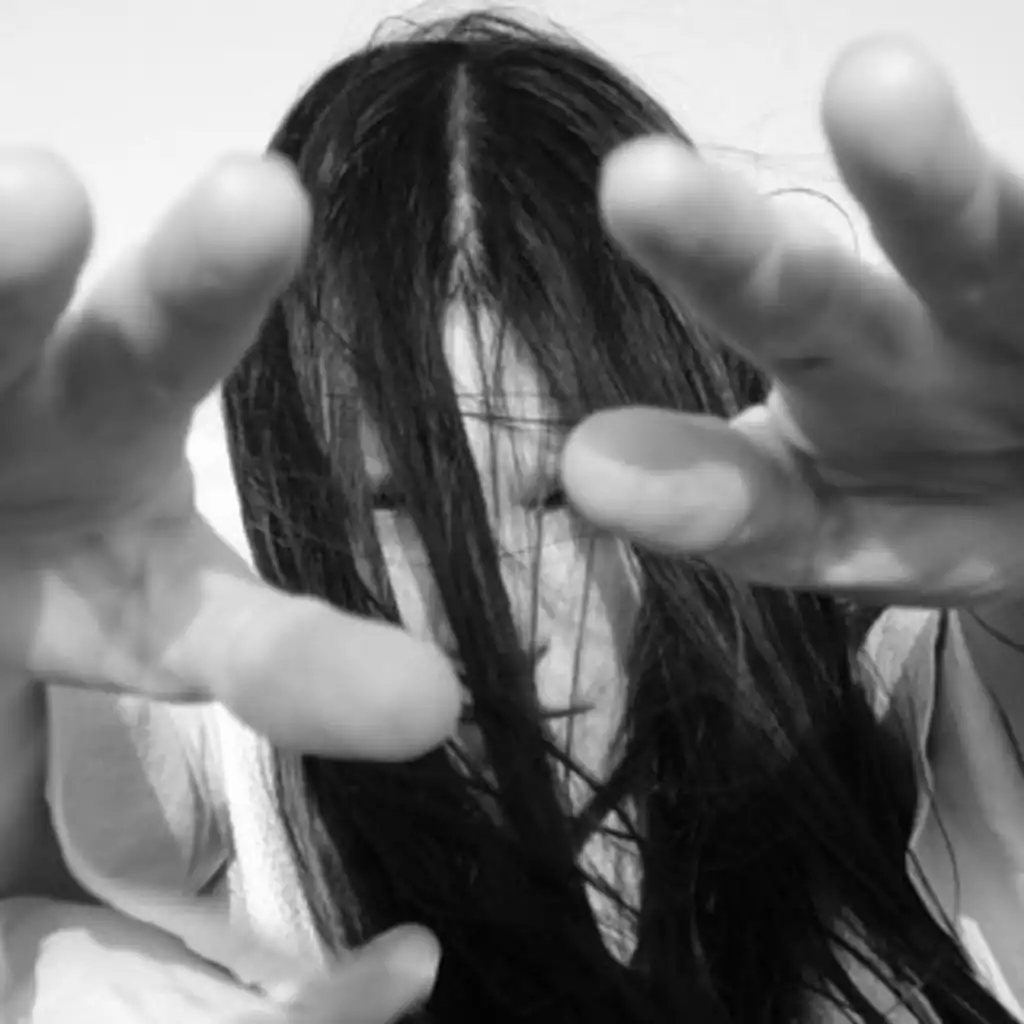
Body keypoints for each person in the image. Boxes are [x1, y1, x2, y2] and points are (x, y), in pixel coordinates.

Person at [3, 10, 1024, 1024]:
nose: (498, 614)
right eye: (397, 504)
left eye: (562, 494)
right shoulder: (259, 777)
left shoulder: (885, 726)